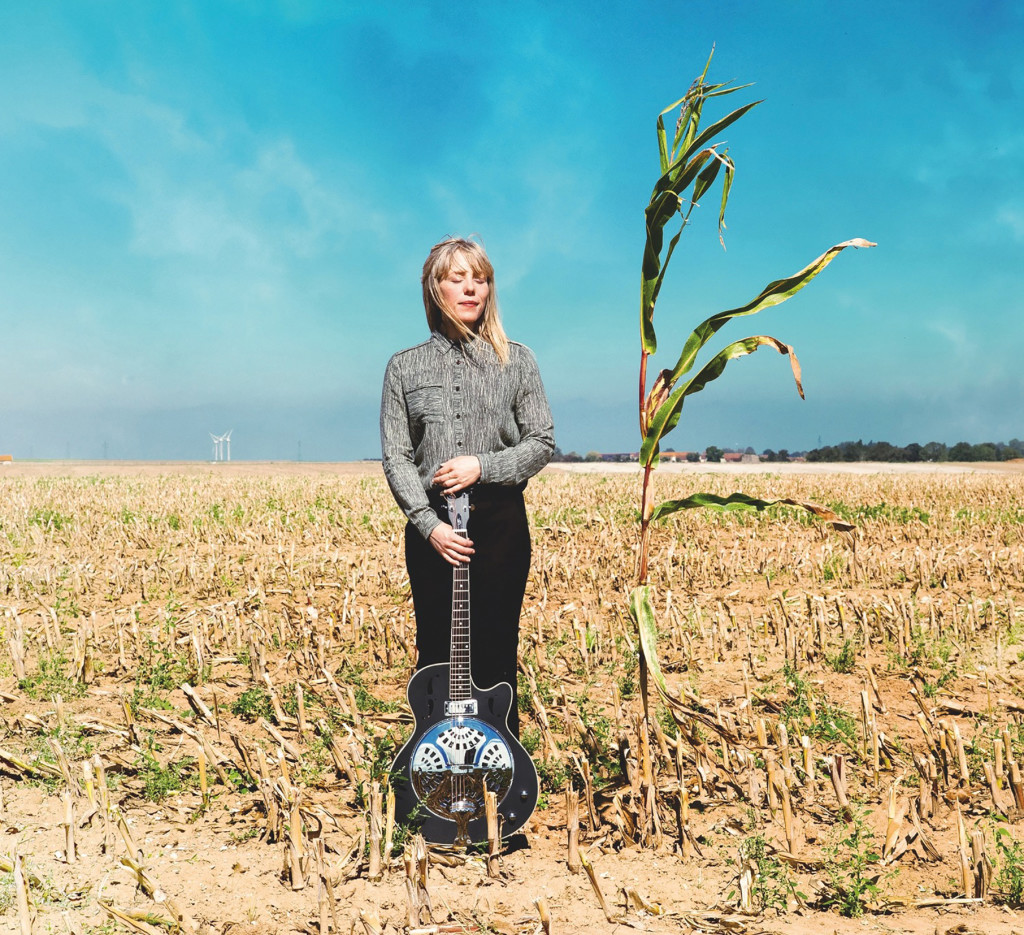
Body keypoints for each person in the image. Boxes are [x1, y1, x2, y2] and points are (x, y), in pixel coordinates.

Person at [380, 237, 554, 738]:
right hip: (433, 529)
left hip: (500, 524)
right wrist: (428, 525)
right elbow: (397, 456)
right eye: (457, 279)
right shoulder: (403, 367)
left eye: (480, 279)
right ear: (435, 289)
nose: (471, 288)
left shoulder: (517, 360)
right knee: (436, 654)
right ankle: (434, 767)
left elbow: (542, 442)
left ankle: (500, 767)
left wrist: (483, 465)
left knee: (497, 651)